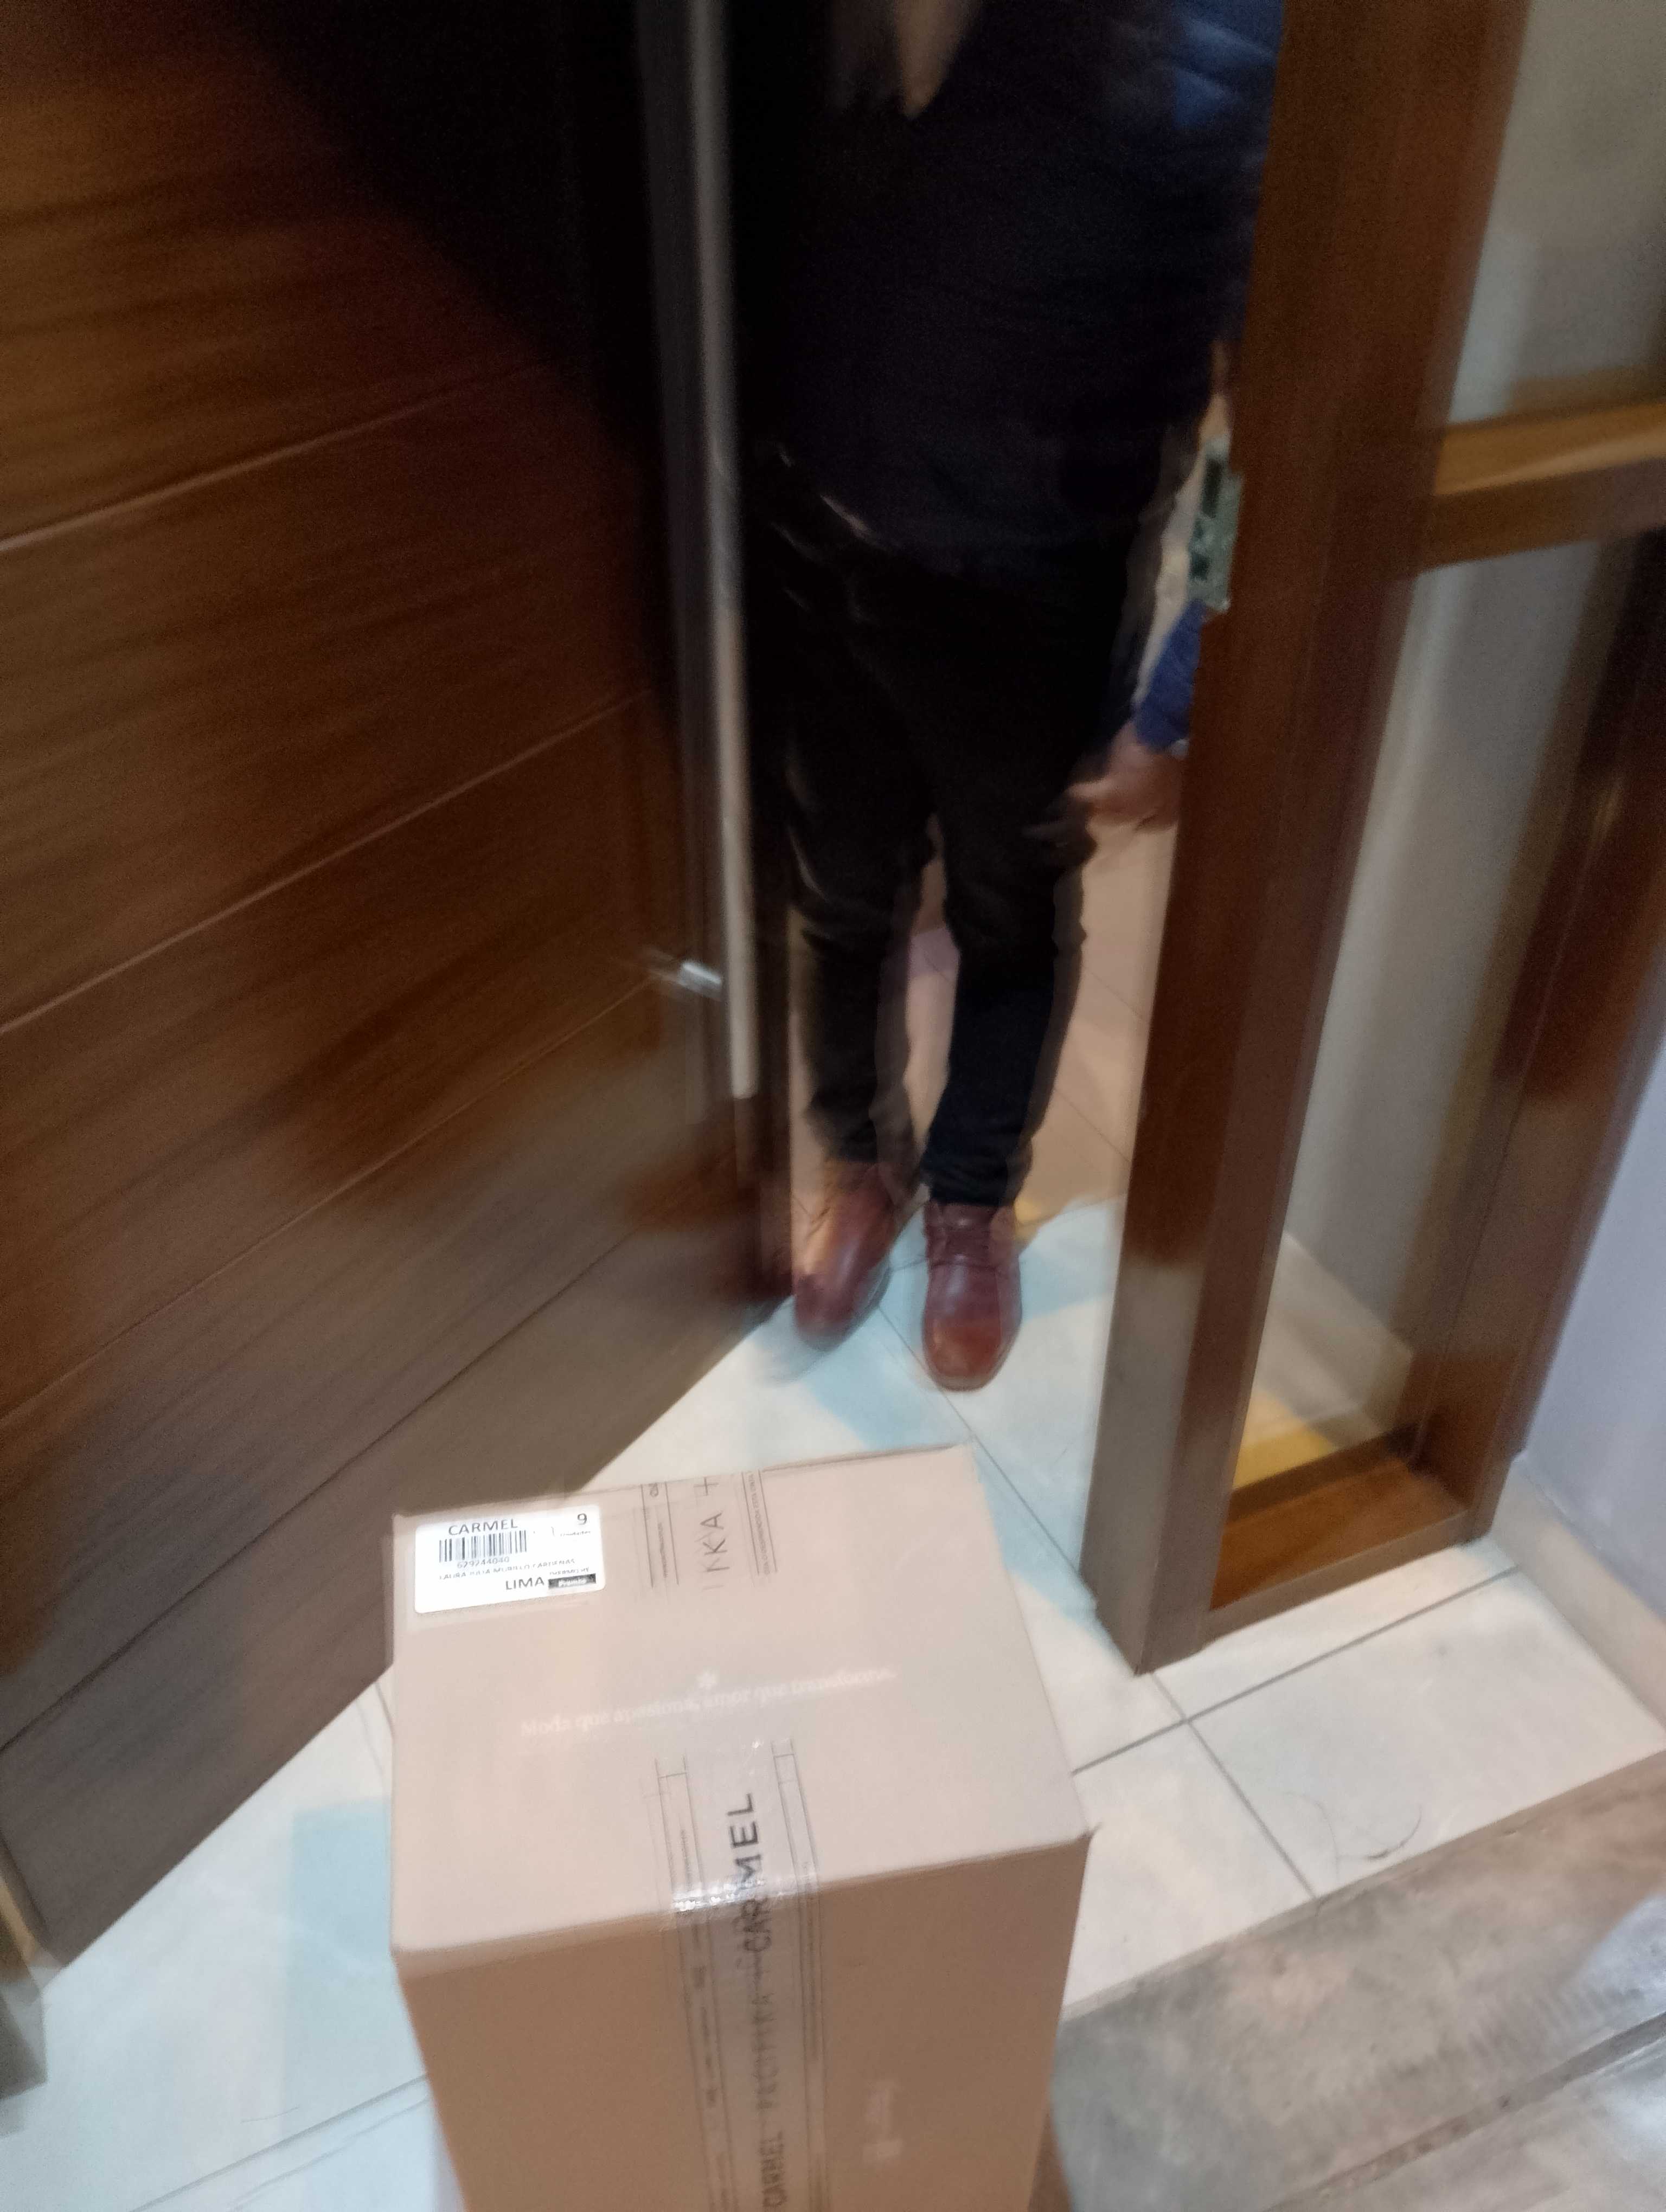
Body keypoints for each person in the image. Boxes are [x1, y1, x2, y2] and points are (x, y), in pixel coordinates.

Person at [771, 0, 1280, 1386]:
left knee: (1008, 904)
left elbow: (1271, 415)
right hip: (830, 518)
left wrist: (1178, 694)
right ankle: (859, 1164)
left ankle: (972, 1199)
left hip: (1038, 577)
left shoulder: (1241, 37)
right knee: (841, 890)